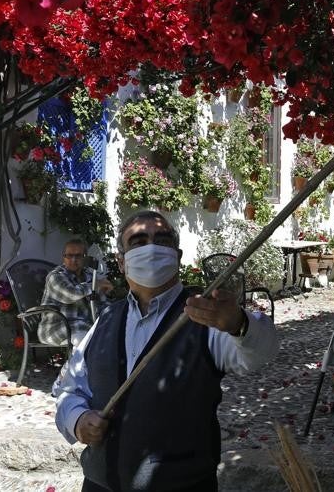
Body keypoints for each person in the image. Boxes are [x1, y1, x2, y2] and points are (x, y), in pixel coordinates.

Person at [53, 210, 278, 492]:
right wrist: (77, 420)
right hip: (100, 484)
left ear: (178, 255)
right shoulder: (106, 318)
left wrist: (238, 323)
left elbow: (260, 353)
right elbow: (69, 389)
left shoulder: (205, 315)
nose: (151, 247)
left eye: (162, 239)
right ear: (121, 263)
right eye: (138, 241)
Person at [40, 239, 113, 348]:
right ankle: (79, 365)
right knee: (87, 340)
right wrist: (95, 285)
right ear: (63, 257)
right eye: (69, 255)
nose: (73, 259)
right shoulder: (55, 276)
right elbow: (70, 295)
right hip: (56, 328)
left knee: (112, 332)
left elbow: (104, 304)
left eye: (78, 256)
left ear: (85, 258)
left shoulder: (90, 277)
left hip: (83, 326)